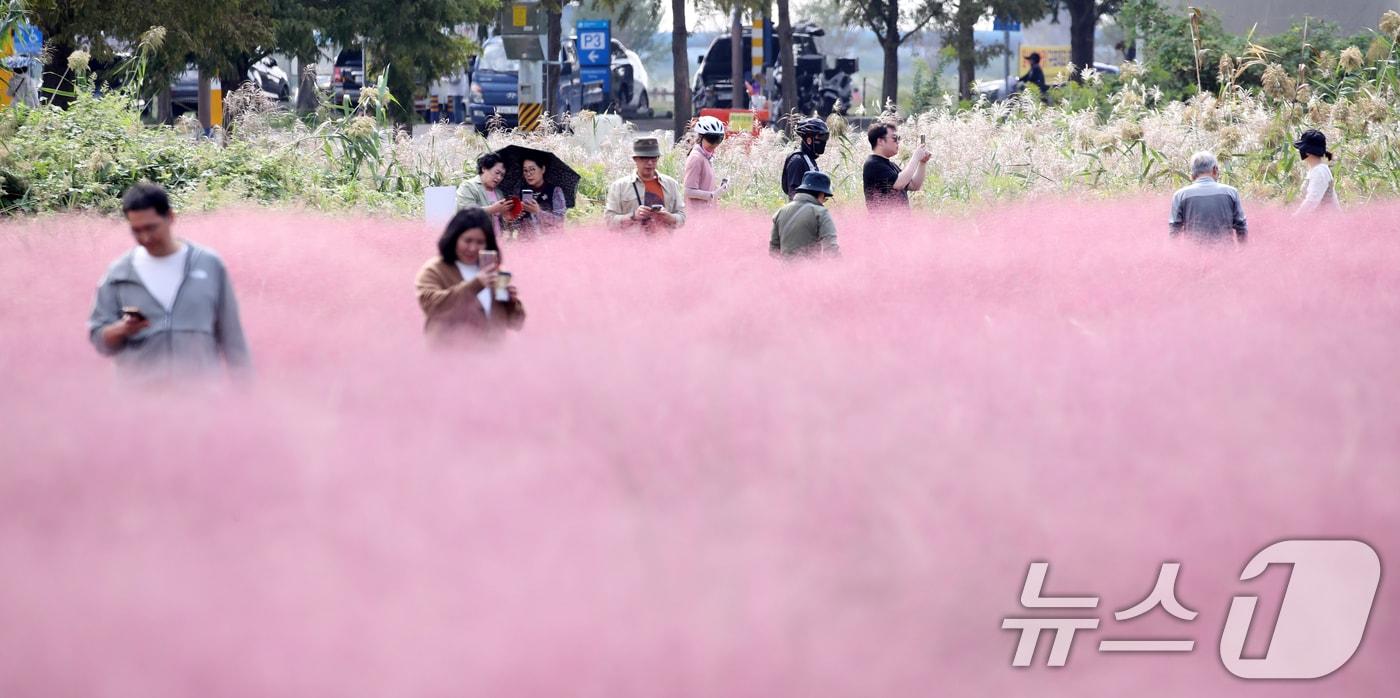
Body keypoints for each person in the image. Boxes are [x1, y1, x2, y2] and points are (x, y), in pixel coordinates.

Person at [87, 182, 250, 377]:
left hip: (202, 397)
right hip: (137, 399)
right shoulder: (119, 273)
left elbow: (232, 336)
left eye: (151, 227)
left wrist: (245, 392)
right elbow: (99, 339)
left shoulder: (209, 265)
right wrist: (121, 330)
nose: (146, 237)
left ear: (171, 217)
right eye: (136, 230)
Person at [415, 207, 525, 344]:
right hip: (449, 358)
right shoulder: (434, 270)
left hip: (493, 359)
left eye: (480, 242)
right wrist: (476, 284)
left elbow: (516, 323)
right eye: (467, 241)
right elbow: (433, 307)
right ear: (454, 238)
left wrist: (511, 302)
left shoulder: (495, 270)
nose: (473, 248)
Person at [604, 136, 686, 232]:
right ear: (635, 159)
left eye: (654, 158)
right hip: (632, 244)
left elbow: (682, 217)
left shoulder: (671, 184)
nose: (650, 163)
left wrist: (669, 217)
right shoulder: (619, 187)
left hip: (665, 243)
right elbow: (609, 222)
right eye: (644, 158)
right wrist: (633, 216)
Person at [1168, 151, 1248, 243]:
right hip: (1226, 254)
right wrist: (1242, 253)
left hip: (1192, 254)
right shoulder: (1231, 193)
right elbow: (1241, 226)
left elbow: (1174, 231)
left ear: (1193, 173)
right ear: (1215, 169)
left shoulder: (1180, 195)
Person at [863, 122, 931, 211]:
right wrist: (915, 157)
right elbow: (899, 184)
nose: (898, 142)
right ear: (880, 141)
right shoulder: (873, 164)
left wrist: (922, 162)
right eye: (894, 138)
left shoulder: (891, 165)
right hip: (883, 223)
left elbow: (914, 185)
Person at [770, 171, 839, 258]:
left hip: (784, 270)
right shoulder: (820, 213)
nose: (824, 202)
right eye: (825, 198)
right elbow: (831, 249)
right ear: (821, 194)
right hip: (811, 269)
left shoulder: (781, 212)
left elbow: (773, 250)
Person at [456, 152, 517, 237]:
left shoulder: (499, 193)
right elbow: (466, 213)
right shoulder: (468, 186)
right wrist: (493, 209)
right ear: (484, 168)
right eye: (497, 172)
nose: (499, 177)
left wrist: (507, 218)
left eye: (502, 175)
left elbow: (502, 224)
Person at [683, 116, 731, 210]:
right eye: (711, 139)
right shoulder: (696, 158)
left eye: (719, 139)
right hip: (697, 216)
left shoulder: (706, 157)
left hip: (706, 214)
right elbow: (688, 191)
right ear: (700, 137)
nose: (715, 144)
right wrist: (712, 195)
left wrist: (720, 189)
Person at [515, 155, 569, 235]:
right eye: (525, 170)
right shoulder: (520, 191)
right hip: (526, 242)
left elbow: (559, 221)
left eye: (532, 169)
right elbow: (514, 225)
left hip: (549, 242)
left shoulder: (555, 191)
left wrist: (538, 212)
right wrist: (513, 217)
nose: (528, 174)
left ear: (543, 169)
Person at [781, 117, 830, 200]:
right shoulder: (797, 160)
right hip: (801, 212)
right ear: (809, 140)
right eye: (820, 137)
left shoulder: (808, 159)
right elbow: (793, 194)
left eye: (825, 137)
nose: (823, 141)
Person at [1294, 129, 1341, 215]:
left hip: (1328, 223)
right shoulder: (1316, 170)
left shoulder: (1319, 171)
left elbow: (1312, 201)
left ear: (1307, 152)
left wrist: (1294, 220)